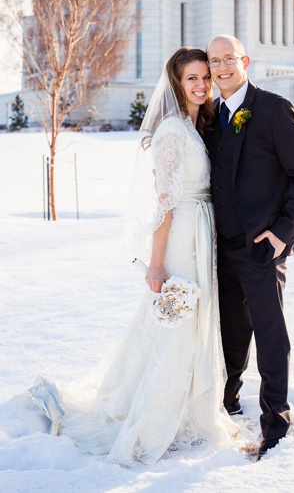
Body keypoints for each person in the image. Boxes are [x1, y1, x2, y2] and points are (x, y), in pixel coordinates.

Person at [29, 47, 240, 466]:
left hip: (202, 232)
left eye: (204, 77)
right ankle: (156, 415)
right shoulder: (171, 132)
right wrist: (157, 263)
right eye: (191, 79)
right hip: (181, 237)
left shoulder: (197, 124)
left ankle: (192, 409)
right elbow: (164, 204)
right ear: (177, 85)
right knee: (176, 318)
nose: (200, 85)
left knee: (195, 322)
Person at [203, 35, 294, 460]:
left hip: (262, 249)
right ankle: (229, 401)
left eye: (228, 59)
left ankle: (277, 422)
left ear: (244, 61)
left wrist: (282, 233)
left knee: (271, 337)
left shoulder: (273, 108)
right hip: (222, 247)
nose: (221, 68)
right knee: (231, 333)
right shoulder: (212, 114)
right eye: (214, 61)